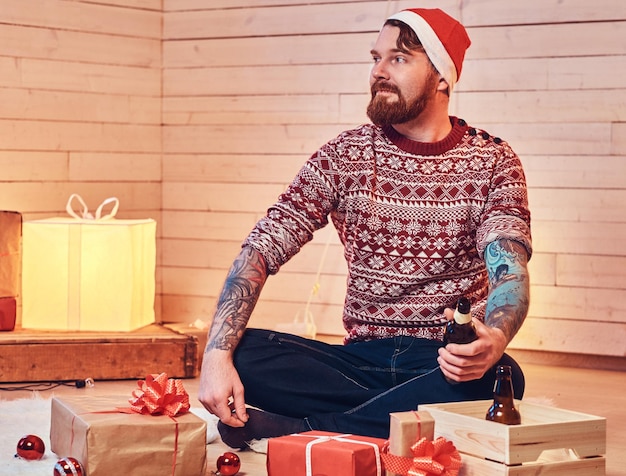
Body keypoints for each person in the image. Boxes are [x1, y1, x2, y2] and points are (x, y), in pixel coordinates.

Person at [198, 7, 531, 449]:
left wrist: (494, 337)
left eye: (398, 58)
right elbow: (263, 246)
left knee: (502, 376)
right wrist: (217, 354)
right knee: (242, 350)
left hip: (439, 362)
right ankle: (388, 418)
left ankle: (306, 427)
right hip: (354, 359)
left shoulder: (494, 161)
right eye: (376, 58)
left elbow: (510, 267)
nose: (378, 71)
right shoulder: (345, 154)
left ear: (443, 77)